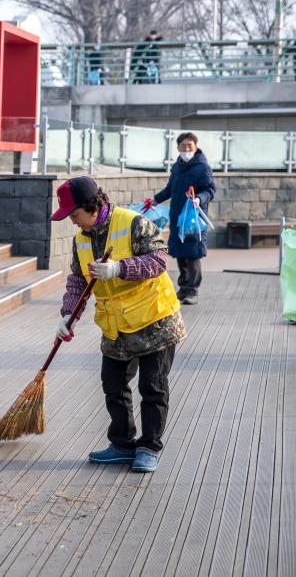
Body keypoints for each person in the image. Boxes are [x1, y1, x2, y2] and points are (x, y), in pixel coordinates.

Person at [53, 176, 186, 473]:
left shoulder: (133, 222)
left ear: (90, 206)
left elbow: (159, 260)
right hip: (116, 326)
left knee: (152, 387)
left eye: (74, 215)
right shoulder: (81, 239)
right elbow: (78, 280)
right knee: (113, 385)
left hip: (155, 320)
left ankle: (149, 447)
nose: (73, 222)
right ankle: (122, 444)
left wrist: (119, 269)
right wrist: (68, 315)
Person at [146, 132, 216, 305]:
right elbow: (170, 188)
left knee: (193, 253)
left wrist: (199, 198)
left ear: (196, 146)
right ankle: (183, 288)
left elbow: (210, 189)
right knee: (180, 253)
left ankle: (193, 290)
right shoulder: (177, 166)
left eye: (190, 146)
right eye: (183, 146)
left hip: (193, 219)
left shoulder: (202, 167)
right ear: (177, 148)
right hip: (177, 218)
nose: (186, 149)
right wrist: (156, 199)